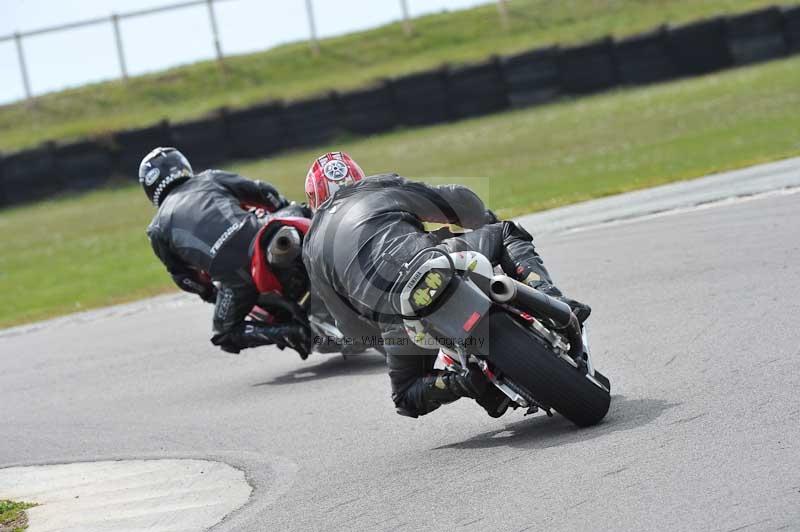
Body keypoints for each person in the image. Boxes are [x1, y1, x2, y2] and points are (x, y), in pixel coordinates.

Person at [302, 151, 590, 418]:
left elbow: (349, 327)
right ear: (357, 178)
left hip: (396, 313)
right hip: (432, 260)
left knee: (406, 395)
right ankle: (552, 299)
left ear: (314, 199)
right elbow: (457, 202)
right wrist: (483, 219)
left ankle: (465, 382)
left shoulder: (312, 246)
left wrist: (389, 332)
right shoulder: (377, 188)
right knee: (504, 233)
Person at [141, 147, 312, 357]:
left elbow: (184, 278)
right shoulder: (208, 178)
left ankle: (290, 332)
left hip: (235, 278)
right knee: (301, 210)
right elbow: (262, 190)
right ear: (182, 166)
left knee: (224, 333)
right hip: (261, 235)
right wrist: (282, 209)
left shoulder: (157, 229)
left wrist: (209, 293)